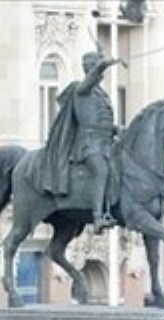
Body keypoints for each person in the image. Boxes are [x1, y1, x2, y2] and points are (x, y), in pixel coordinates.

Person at [37, 50, 122, 227]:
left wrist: (116, 129)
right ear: (90, 69)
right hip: (88, 145)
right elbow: (89, 82)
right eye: (97, 70)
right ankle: (98, 217)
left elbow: (100, 121)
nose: (101, 75)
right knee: (101, 171)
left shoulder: (100, 94)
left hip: (106, 143)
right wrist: (104, 64)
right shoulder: (81, 89)